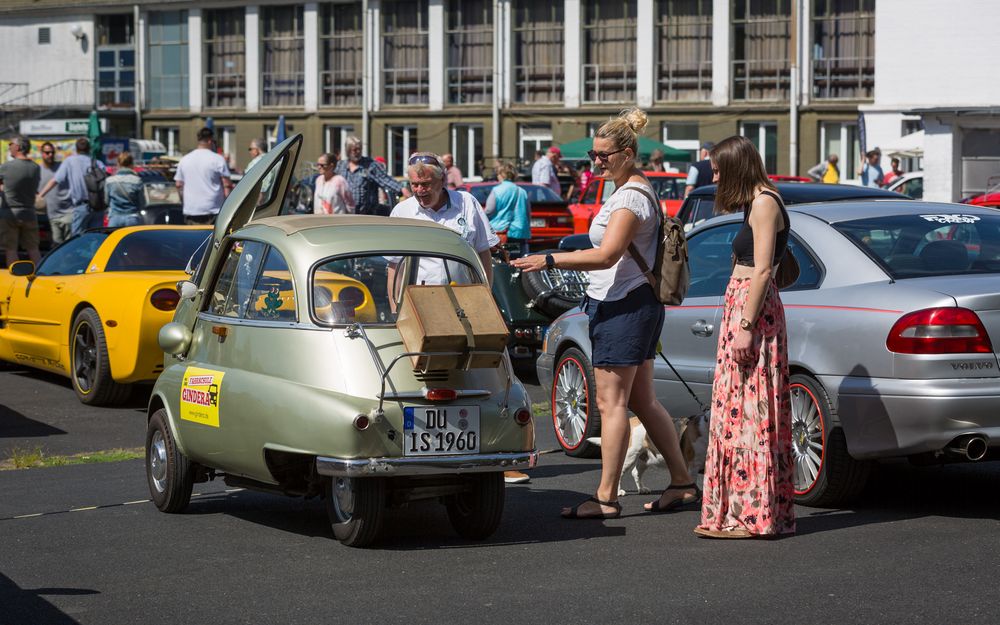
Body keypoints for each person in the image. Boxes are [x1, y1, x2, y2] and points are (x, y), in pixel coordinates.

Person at [511, 109, 697, 518]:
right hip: (632, 304)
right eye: (592, 156)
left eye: (603, 155)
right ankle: (682, 482)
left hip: (624, 306)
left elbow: (607, 254)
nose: (595, 162)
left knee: (612, 405)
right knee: (644, 400)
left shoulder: (630, 196)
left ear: (627, 153)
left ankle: (605, 498)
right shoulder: (628, 189)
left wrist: (550, 258)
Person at [693, 135, 796, 539]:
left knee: (752, 414)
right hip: (744, 307)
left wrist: (746, 326)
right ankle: (740, 511)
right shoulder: (755, 203)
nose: (714, 177)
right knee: (738, 412)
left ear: (736, 167)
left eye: (718, 170)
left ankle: (752, 517)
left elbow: (764, 269)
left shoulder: (765, 203)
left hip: (754, 313)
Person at [37, 137, 106, 235]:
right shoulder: (97, 162)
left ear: (76, 149)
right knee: (95, 238)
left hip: (81, 207)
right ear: (89, 149)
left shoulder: (70, 161)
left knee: (78, 240)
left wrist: (41, 195)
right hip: (98, 207)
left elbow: (55, 180)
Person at [174, 127, 233, 225]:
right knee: (212, 239)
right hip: (213, 209)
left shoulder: (184, 159)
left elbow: (179, 185)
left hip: (191, 210)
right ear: (210, 141)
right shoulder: (218, 159)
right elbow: (227, 185)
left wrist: (184, 201)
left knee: (193, 240)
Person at [334, 136, 403, 216]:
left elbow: (385, 179)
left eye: (360, 149)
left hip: (367, 215)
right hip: (345, 214)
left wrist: (401, 188)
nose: (358, 152)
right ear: (348, 151)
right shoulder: (340, 166)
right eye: (355, 150)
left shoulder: (370, 165)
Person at [0, 135, 42, 266]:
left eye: (10, 145)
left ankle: (14, 279)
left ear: (17, 147)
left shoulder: (6, 167)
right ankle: (40, 276)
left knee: (11, 249)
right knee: (33, 249)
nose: (9, 148)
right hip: (29, 212)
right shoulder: (35, 167)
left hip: (9, 213)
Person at [485, 162, 531, 256]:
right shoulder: (522, 191)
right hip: (519, 232)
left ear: (502, 174)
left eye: (498, 173)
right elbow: (527, 213)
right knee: (518, 260)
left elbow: (489, 210)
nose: (497, 176)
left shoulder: (497, 190)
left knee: (499, 261)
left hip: (500, 231)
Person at [37, 141, 74, 245]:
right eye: (47, 152)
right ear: (42, 153)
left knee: (69, 245)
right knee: (56, 245)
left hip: (68, 212)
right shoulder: (37, 169)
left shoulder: (62, 167)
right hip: (50, 214)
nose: (50, 155)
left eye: (52, 152)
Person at [104, 152, 146, 228]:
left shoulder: (109, 181)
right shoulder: (137, 181)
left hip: (115, 218)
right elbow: (142, 203)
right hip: (132, 217)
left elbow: (106, 201)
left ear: (118, 164)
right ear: (132, 164)